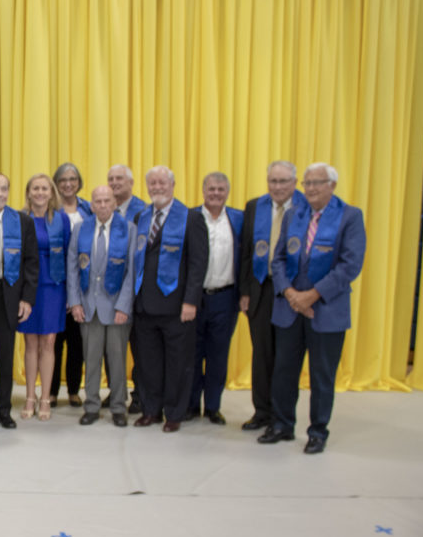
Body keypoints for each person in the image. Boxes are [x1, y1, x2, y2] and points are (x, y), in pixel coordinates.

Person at [259, 163, 366, 454]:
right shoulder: (295, 214)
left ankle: (318, 431)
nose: (310, 188)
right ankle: (282, 425)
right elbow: (278, 259)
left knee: (322, 375)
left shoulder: (350, 216)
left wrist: (313, 296)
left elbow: (350, 265)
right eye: (307, 183)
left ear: (332, 185)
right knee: (283, 371)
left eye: (317, 183)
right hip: (290, 309)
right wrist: (293, 295)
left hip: (327, 311)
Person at [131, 166, 208, 433]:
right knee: (148, 363)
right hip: (143, 305)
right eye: (152, 183)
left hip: (177, 306)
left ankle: (175, 412)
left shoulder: (191, 218)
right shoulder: (141, 217)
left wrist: (191, 301)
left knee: (178, 362)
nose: (157, 187)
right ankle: (151, 410)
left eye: (162, 183)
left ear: (173, 185)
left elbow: (198, 265)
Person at [238, 161, 307, 431]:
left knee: (286, 357)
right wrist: (245, 291)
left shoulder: (305, 207)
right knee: (262, 354)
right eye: (273, 181)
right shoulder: (255, 206)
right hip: (261, 288)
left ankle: (282, 417)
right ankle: (262, 412)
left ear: (295, 182)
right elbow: (245, 253)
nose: (277, 187)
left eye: (283, 181)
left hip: (293, 291)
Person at [66, 185, 137, 427]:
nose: (103, 205)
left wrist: (124, 306)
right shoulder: (80, 228)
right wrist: (75, 302)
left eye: (107, 201)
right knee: (91, 359)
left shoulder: (128, 229)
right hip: (88, 305)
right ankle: (92, 406)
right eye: (98, 201)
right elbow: (73, 267)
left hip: (116, 307)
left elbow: (131, 272)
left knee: (117, 361)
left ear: (114, 203)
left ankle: (118, 406)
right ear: (92, 205)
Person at [0, 172, 39, 428]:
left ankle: (3, 408)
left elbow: (31, 263)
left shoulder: (22, 222)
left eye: (4, 189)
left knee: (5, 354)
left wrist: (27, 299)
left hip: (7, 294)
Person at [186, 173, 243, 424]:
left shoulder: (239, 219)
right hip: (194, 298)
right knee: (193, 354)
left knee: (218, 354)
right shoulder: (190, 218)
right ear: (203, 190)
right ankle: (190, 405)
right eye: (211, 188)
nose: (216, 193)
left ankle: (213, 406)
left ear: (228, 191)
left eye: (221, 189)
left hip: (226, 297)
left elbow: (247, 258)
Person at [17, 173, 70, 421]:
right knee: (31, 343)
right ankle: (30, 396)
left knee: (49, 342)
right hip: (28, 288)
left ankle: (46, 397)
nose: (40, 193)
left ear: (52, 193)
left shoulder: (62, 219)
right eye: (35, 188)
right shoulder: (19, 218)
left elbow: (70, 257)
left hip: (54, 286)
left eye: (44, 189)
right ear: (28, 192)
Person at [106, 163, 147, 413]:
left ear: (131, 183)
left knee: (139, 348)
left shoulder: (143, 211)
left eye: (120, 178)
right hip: (108, 292)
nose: (114, 183)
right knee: (112, 348)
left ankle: (141, 394)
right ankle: (115, 392)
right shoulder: (100, 210)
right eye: (110, 179)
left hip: (138, 290)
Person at [50, 162, 91, 408]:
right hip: (56, 283)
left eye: (72, 179)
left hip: (83, 285)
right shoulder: (50, 210)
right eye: (63, 179)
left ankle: (74, 390)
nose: (68, 183)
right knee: (54, 341)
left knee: (78, 342)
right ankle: (52, 390)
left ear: (79, 182)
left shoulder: (88, 209)